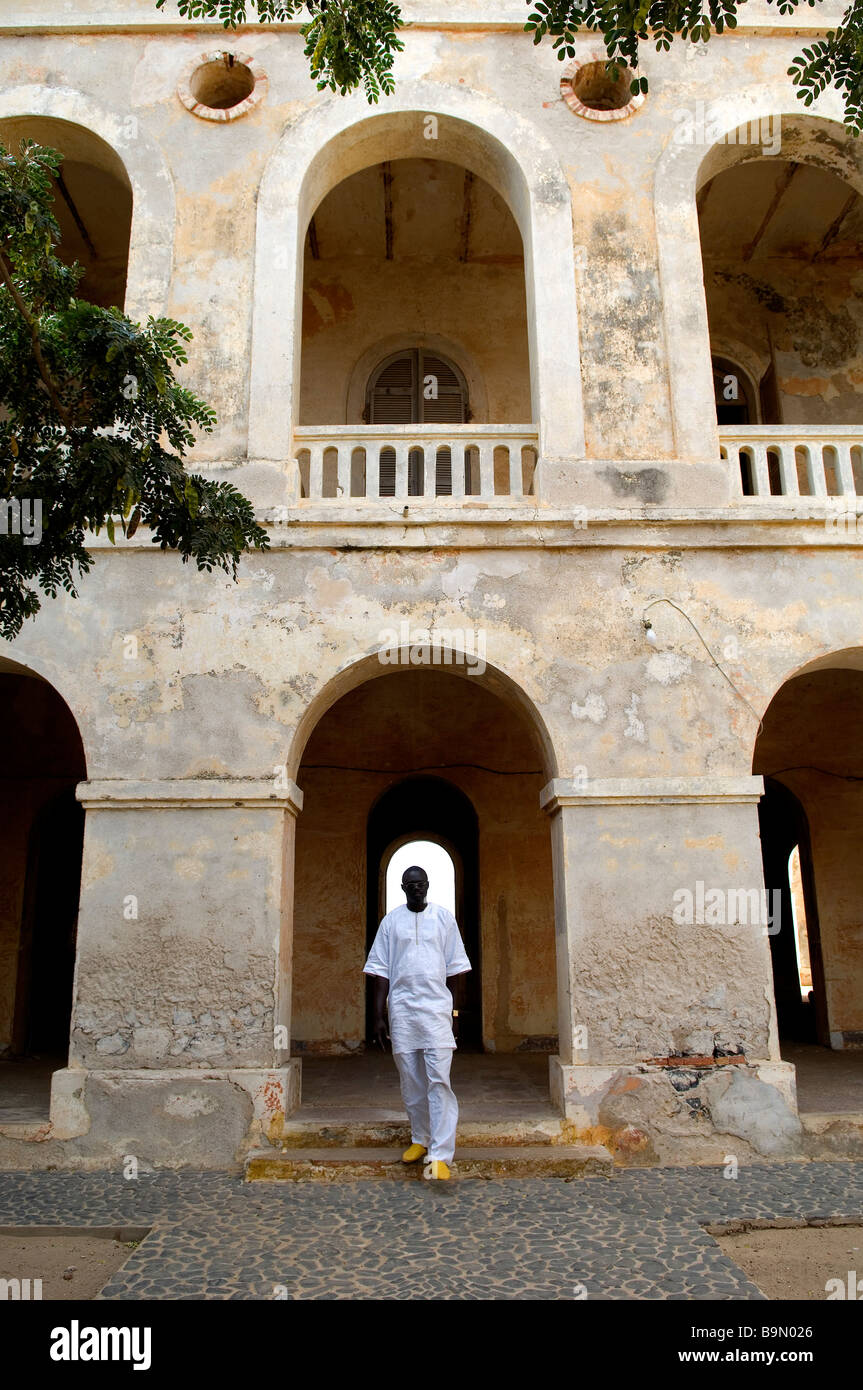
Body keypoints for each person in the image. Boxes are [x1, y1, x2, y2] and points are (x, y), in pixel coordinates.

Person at [363, 864, 471, 1180]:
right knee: (411, 1081)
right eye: (410, 885)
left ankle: (440, 1154)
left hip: (437, 1012)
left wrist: (454, 1012)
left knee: (439, 1079)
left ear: (428, 885)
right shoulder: (390, 922)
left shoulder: (443, 919)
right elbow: (379, 971)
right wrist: (378, 1016)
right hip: (403, 1012)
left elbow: (456, 970)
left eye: (421, 884)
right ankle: (420, 1139)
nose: (416, 889)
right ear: (402, 888)